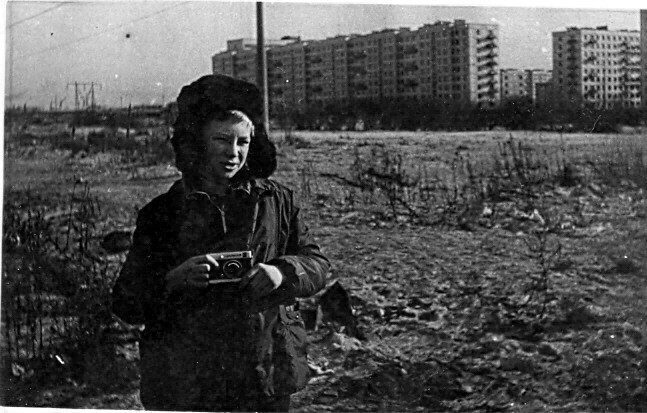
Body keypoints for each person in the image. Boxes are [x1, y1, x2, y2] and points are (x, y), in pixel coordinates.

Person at [111, 74, 330, 412]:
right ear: (197, 142)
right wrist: (174, 278)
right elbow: (126, 303)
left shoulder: (276, 202)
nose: (233, 152)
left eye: (243, 141)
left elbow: (317, 265)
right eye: (222, 140)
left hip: (264, 375)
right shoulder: (162, 213)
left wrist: (281, 272)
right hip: (188, 381)